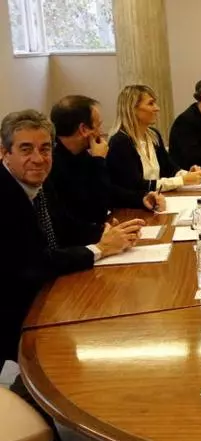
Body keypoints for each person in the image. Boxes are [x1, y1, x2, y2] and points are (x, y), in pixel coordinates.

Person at [0, 109, 144, 369]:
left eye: (45, 149)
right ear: (4, 153)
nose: (38, 159)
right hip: (15, 313)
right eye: (26, 149)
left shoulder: (40, 181)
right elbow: (33, 264)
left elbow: (64, 226)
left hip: (47, 293)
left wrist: (106, 232)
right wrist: (99, 249)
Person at [47, 95, 164, 227]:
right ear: (84, 129)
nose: (101, 132)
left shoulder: (80, 154)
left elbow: (109, 191)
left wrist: (141, 199)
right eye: (98, 126)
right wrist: (99, 160)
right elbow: (96, 209)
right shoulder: (52, 164)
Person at [107, 85, 201, 195]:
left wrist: (187, 174)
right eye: (150, 103)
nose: (157, 108)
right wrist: (181, 180)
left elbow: (169, 168)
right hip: (135, 204)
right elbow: (136, 186)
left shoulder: (153, 135)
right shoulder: (120, 142)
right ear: (133, 109)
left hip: (158, 199)